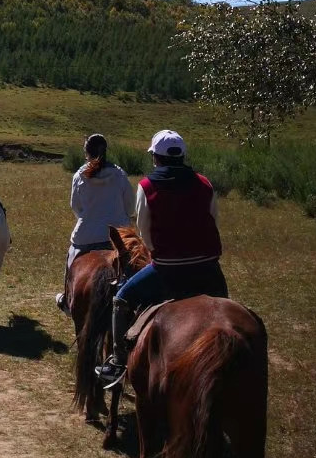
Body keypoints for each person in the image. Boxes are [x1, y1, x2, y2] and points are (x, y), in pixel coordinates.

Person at [95, 129, 228, 390]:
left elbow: (145, 234)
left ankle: (118, 360)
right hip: (208, 268)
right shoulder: (205, 183)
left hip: (168, 270)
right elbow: (214, 219)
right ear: (183, 156)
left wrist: (162, 252)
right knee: (226, 311)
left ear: (156, 157)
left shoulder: (147, 186)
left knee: (121, 299)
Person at [56, 134, 135, 313]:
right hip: (117, 236)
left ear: (86, 153)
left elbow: (75, 207)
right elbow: (130, 206)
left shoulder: (79, 175)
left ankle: (68, 298)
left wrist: (88, 217)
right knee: (131, 268)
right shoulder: (120, 174)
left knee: (71, 260)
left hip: (87, 235)